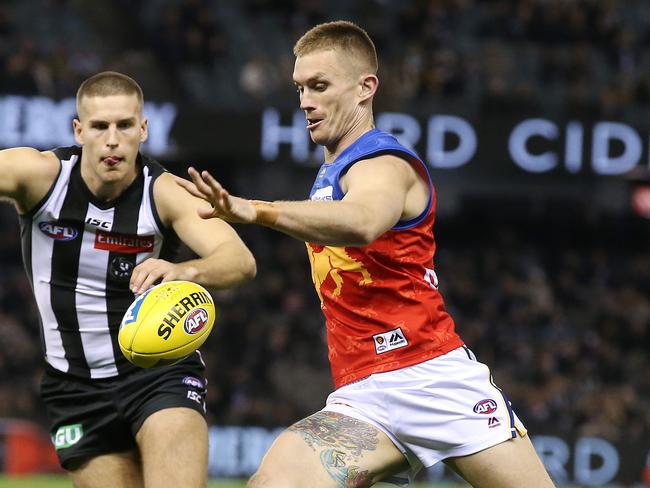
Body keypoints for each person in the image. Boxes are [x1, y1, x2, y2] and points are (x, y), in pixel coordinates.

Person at [179, 21, 555, 488]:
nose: (305, 103)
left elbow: (361, 222)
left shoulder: (384, 162)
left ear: (365, 88)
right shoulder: (330, 171)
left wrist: (255, 210)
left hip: (436, 379)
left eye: (319, 86)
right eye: (299, 88)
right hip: (365, 394)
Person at [0, 71, 256, 488]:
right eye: (100, 126)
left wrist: (183, 270)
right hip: (73, 385)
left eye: (124, 125)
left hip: (158, 374)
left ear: (143, 129)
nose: (113, 139)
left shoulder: (167, 193)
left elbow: (239, 260)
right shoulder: (38, 175)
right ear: (79, 131)